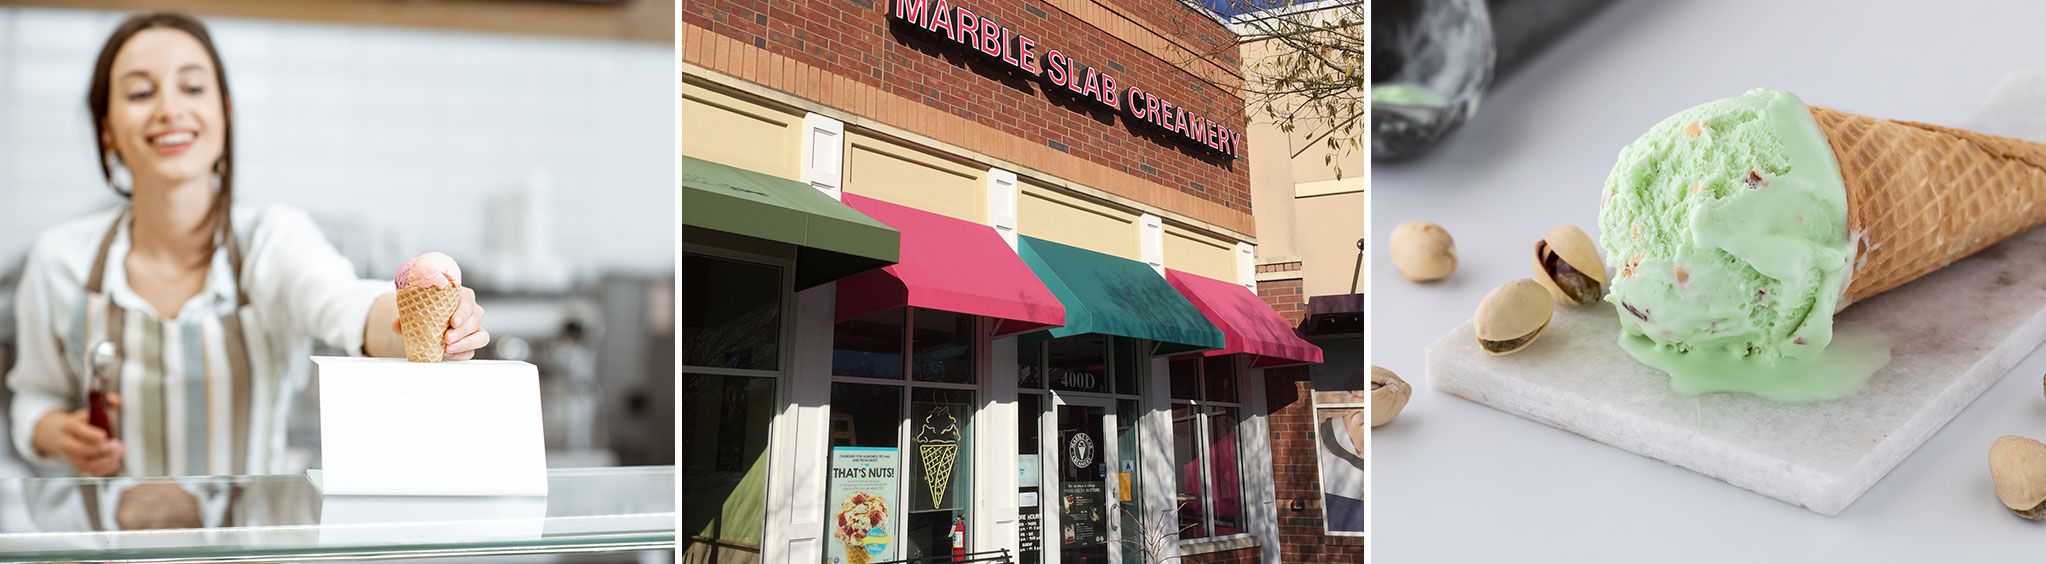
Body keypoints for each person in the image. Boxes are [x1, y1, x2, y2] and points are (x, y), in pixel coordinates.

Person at [7, 12, 491, 477]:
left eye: (193, 87)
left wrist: (424, 324)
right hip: (112, 552)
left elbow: (345, 305)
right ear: (107, 129)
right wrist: (53, 430)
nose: (170, 109)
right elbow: (32, 398)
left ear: (226, 110)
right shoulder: (59, 262)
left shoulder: (274, 240)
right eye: (139, 92)